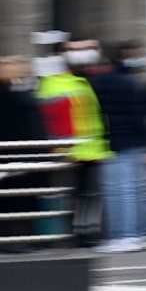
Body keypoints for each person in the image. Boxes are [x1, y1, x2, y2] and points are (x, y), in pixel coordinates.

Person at [36, 38, 112, 246]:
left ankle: (87, 232)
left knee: (88, 195)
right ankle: (75, 233)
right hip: (68, 150)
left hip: (90, 149)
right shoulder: (55, 83)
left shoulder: (84, 81)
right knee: (72, 195)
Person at [89, 40, 146, 252]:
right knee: (138, 190)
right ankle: (141, 233)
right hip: (136, 142)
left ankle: (123, 236)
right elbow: (140, 115)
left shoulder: (103, 81)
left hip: (115, 142)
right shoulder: (131, 81)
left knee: (119, 192)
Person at [0, 56, 49, 250]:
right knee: (13, 199)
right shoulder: (2, 94)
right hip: (13, 153)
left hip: (22, 154)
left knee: (22, 198)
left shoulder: (11, 93)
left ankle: (23, 237)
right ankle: (12, 239)